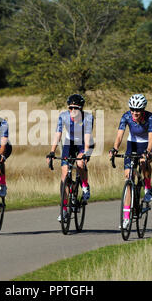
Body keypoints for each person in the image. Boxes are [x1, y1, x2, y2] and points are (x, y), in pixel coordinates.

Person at [109, 94, 152, 229]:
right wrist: (115, 148)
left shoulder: (150, 117)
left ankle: (147, 186)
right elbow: (119, 135)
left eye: (138, 110)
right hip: (132, 144)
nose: (135, 113)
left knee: (143, 162)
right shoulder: (126, 116)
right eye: (132, 109)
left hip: (147, 144)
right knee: (128, 178)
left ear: (143, 110)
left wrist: (148, 151)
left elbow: (151, 137)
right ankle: (126, 218)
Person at [46, 94, 94, 222]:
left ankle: (84, 185)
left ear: (81, 109)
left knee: (79, 164)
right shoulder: (63, 116)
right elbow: (58, 134)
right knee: (64, 174)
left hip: (84, 143)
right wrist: (52, 151)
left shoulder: (88, 118)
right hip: (69, 143)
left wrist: (85, 153)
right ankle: (64, 210)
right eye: (70, 108)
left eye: (76, 108)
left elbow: (88, 136)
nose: (73, 111)